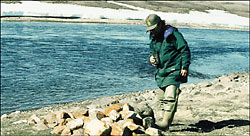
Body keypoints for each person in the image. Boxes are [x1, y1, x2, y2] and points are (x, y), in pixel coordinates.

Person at [145, 14, 191, 131]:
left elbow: (184, 50)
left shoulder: (174, 34)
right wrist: (152, 58)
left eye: (154, 28)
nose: (153, 31)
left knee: (170, 97)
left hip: (174, 69)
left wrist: (184, 67)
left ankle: (165, 123)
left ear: (160, 24)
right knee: (161, 98)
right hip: (162, 71)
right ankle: (163, 119)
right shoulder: (154, 37)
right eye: (151, 29)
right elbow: (152, 50)